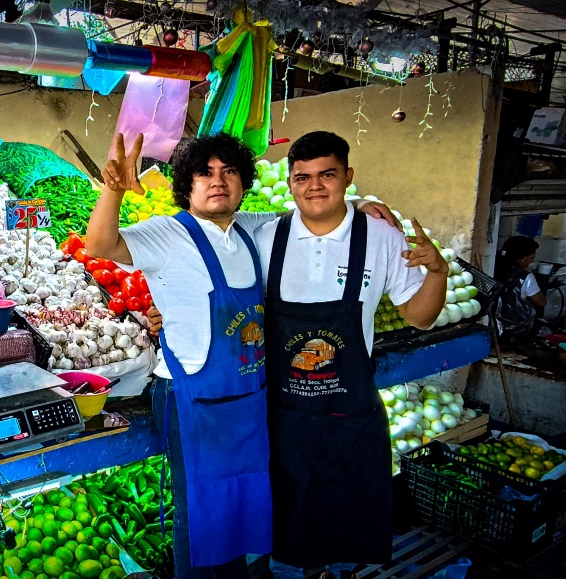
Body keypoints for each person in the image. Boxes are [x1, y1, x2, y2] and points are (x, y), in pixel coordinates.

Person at [85, 132, 397, 579]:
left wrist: (362, 207)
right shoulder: (166, 233)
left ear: (243, 181)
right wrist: (113, 190)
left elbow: (316, 209)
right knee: (200, 506)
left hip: (250, 395)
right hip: (192, 396)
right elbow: (99, 245)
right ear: (186, 185)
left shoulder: (256, 229)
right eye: (204, 173)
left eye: (229, 171)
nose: (218, 181)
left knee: (248, 497)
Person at [256, 131, 447, 576]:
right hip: (281, 417)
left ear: (348, 177)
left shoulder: (380, 238)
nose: (314, 186)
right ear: (289, 183)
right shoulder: (267, 238)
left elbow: (420, 317)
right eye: (302, 177)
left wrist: (438, 273)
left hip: (350, 419)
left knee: (345, 531)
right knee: (286, 538)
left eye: (327, 174)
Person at [493, 236, 545, 338]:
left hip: (493, 327)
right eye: (531, 258)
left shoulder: (492, 267)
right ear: (522, 258)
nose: (531, 261)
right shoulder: (526, 277)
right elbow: (541, 302)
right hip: (516, 331)